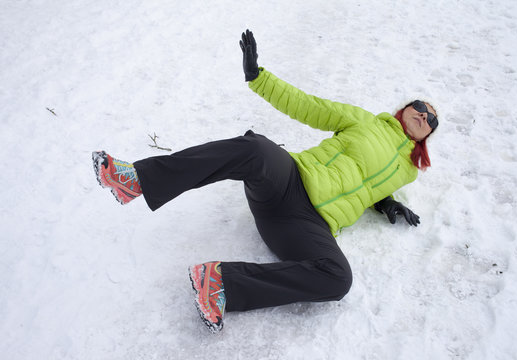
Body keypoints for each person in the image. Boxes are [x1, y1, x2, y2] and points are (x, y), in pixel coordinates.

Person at [91, 29, 438, 333]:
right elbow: (309, 106)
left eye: (431, 120)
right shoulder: (364, 121)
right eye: (420, 106)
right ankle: (135, 179)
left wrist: (385, 200)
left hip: (307, 226)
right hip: (291, 180)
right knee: (256, 149)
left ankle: (219, 283)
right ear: (404, 107)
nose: (424, 115)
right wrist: (259, 77)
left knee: (338, 277)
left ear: (427, 137)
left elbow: (371, 181)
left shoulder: (407, 169)